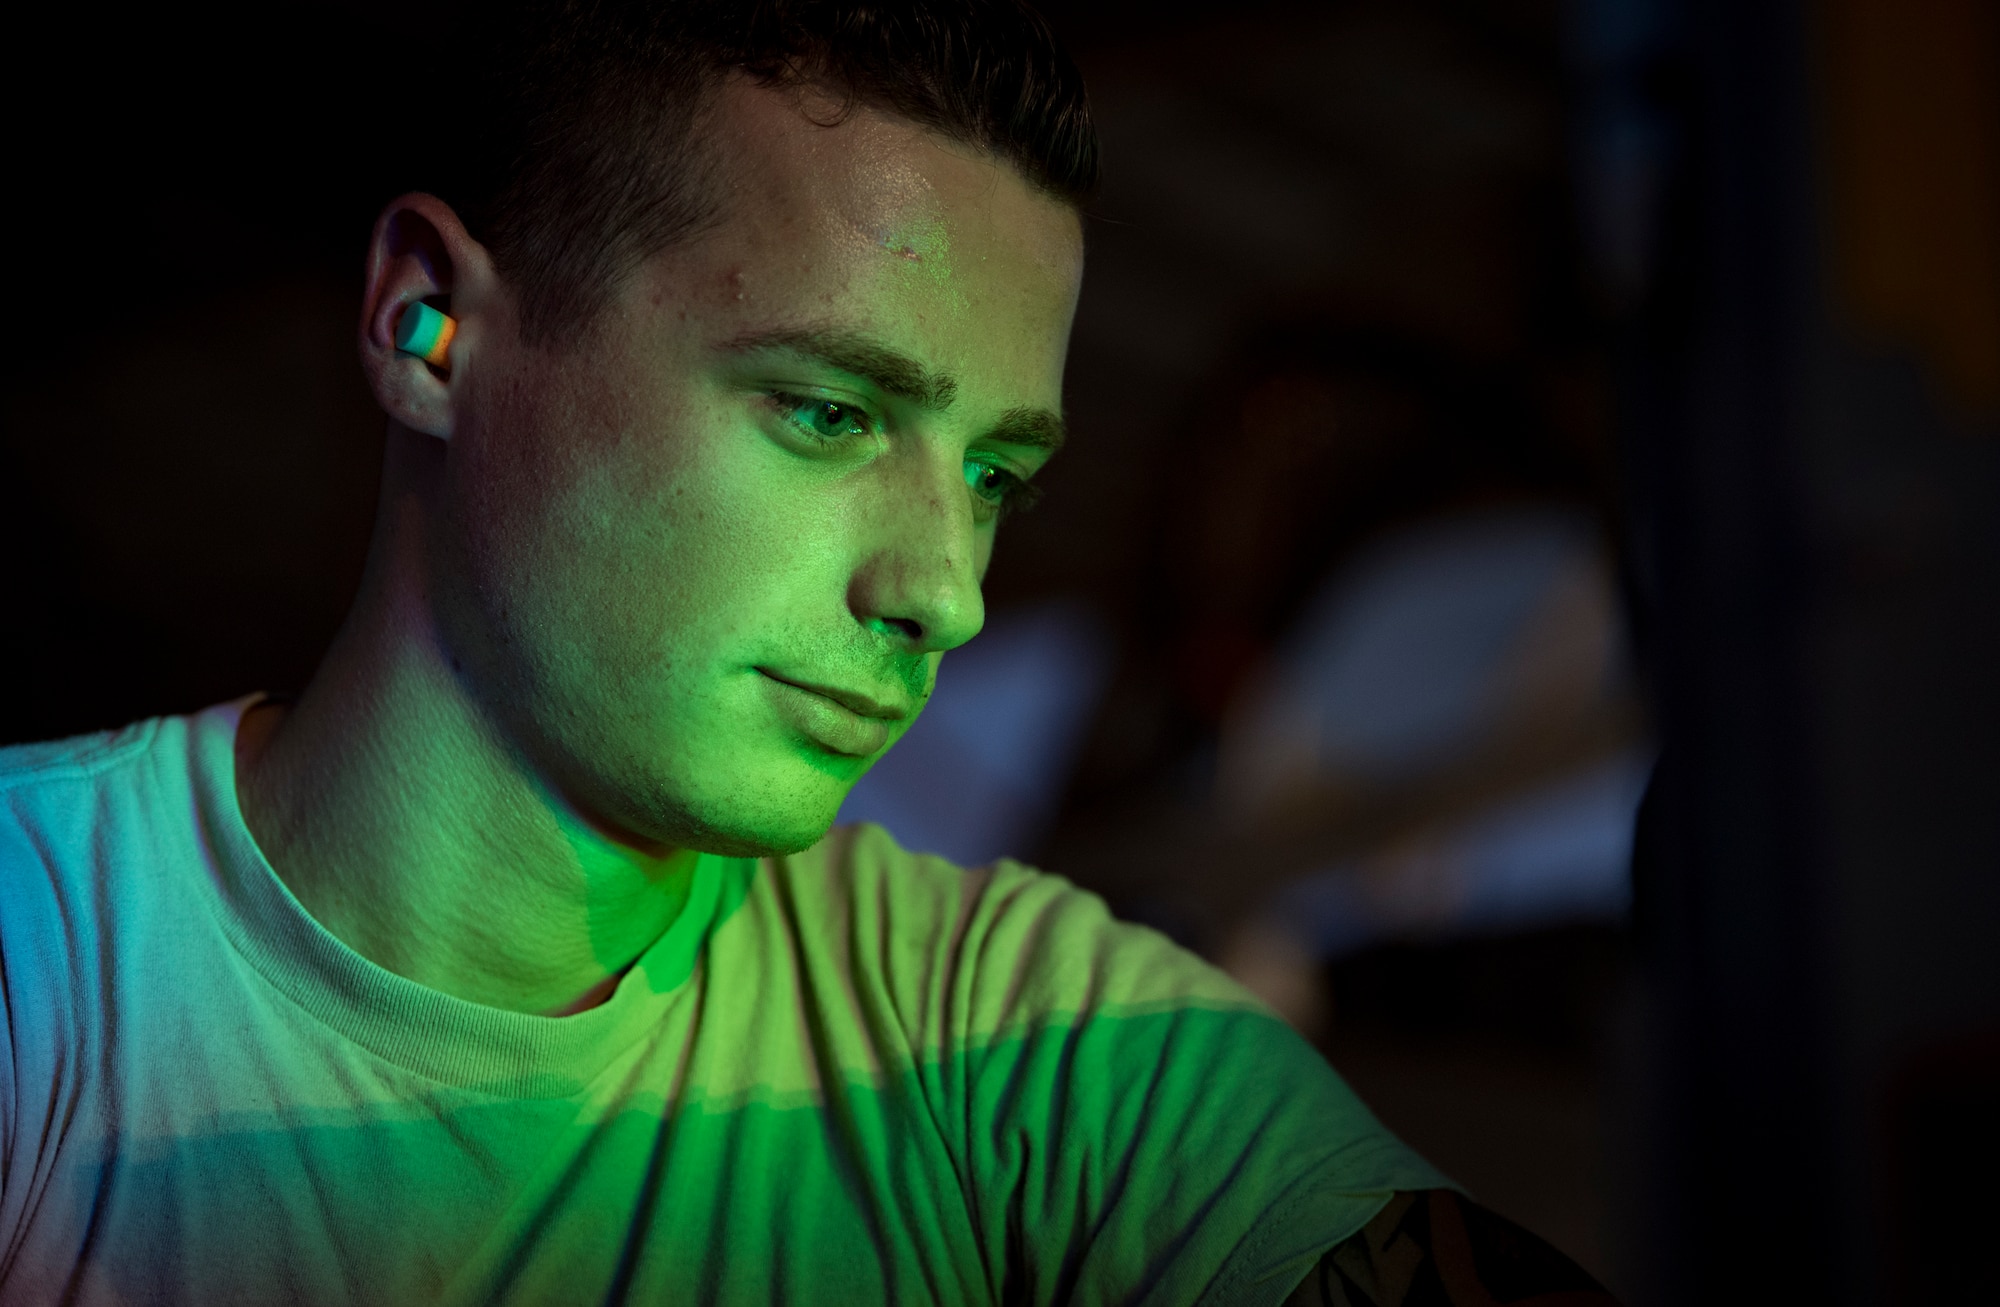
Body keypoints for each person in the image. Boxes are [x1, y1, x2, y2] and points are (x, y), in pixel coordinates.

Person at [0, 2, 1618, 1302]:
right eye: (831, 413)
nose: (950, 592)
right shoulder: (41, 949)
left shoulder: (1015, 1036)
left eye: (993, 478)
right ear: (429, 324)